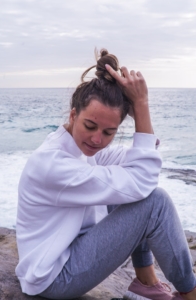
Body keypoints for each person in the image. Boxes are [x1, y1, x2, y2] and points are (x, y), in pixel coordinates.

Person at [15, 49, 196, 300]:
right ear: (73, 114)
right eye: (90, 126)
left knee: (135, 194)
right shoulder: (53, 164)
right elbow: (143, 179)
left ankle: (146, 283)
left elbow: (139, 161)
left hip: (70, 250)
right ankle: (190, 293)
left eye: (109, 132)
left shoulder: (79, 148)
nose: (97, 139)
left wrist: (137, 113)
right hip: (53, 278)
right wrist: (141, 106)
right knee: (156, 202)